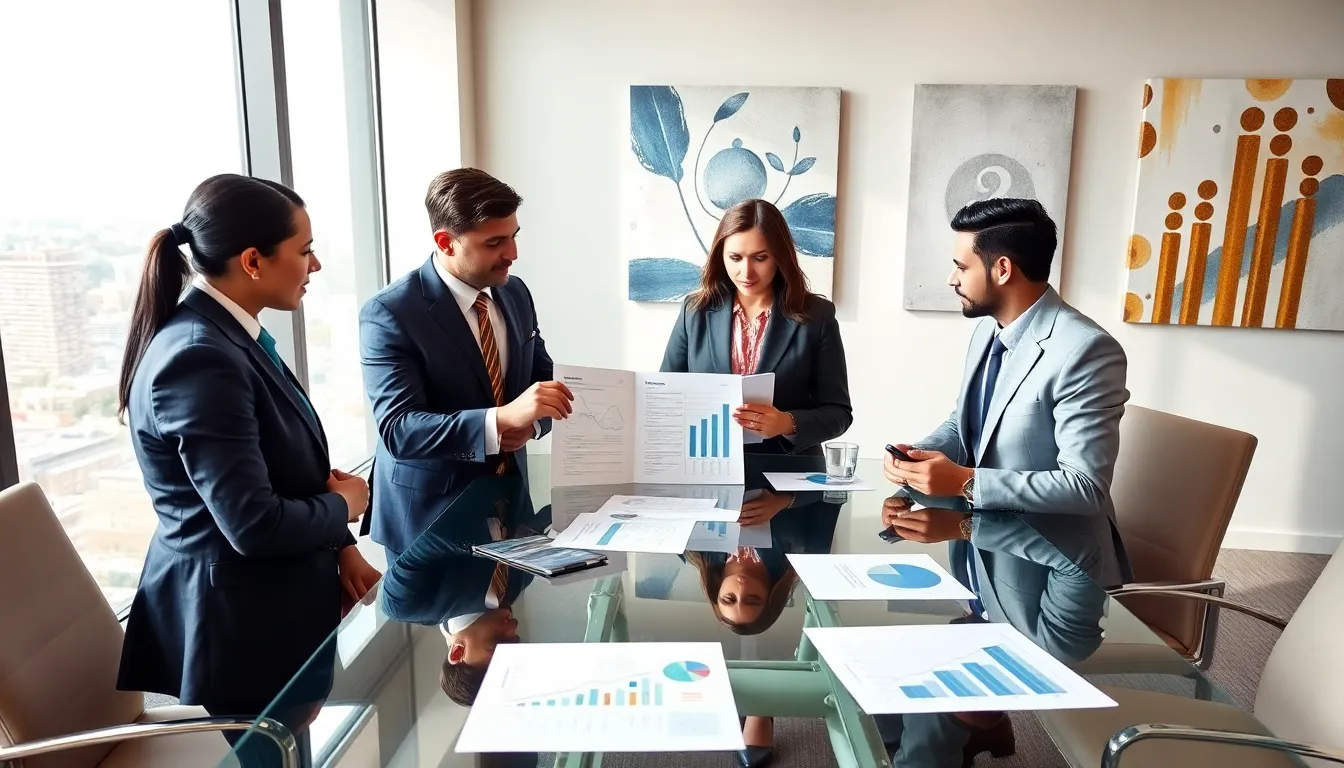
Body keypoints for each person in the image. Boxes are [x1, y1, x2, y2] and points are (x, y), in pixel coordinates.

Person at [116, 174, 382, 765]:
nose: (315, 264)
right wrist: (346, 505)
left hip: (277, 608)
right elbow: (253, 523)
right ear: (254, 261)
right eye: (304, 249)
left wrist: (340, 544)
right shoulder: (198, 356)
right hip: (240, 633)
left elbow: (280, 472)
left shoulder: (231, 337)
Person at [881, 198, 1132, 768]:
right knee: (882, 672)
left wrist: (964, 488)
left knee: (927, 698)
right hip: (983, 563)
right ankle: (962, 734)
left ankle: (945, 741)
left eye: (959, 265)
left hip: (1047, 586)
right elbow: (965, 424)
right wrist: (919, 457)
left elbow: (1085, 488)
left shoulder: (1085, 350)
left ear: (1001, 269)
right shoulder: (990, 332)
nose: (951, 279)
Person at [360, 168, 573, 558]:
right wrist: (499, 421)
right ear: (445, 242)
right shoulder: (389, 313)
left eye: (513, 237)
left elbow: (541, 377)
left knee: (508, 614)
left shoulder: (515, 293)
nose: (513, 254)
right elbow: (400, 430)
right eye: (495, 242)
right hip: (429, 525)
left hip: (512, 507)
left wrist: (533, 425)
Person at [661, 198, 852, 459]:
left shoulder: (816, 316)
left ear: (779, 257)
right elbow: (666, 396)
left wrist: (787, 423)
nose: (746, 272)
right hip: (706, 465)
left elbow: (838, 413)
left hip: (789, 474)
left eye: (760, 258)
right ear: (720, 255)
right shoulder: (695, 311)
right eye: (735, 258)